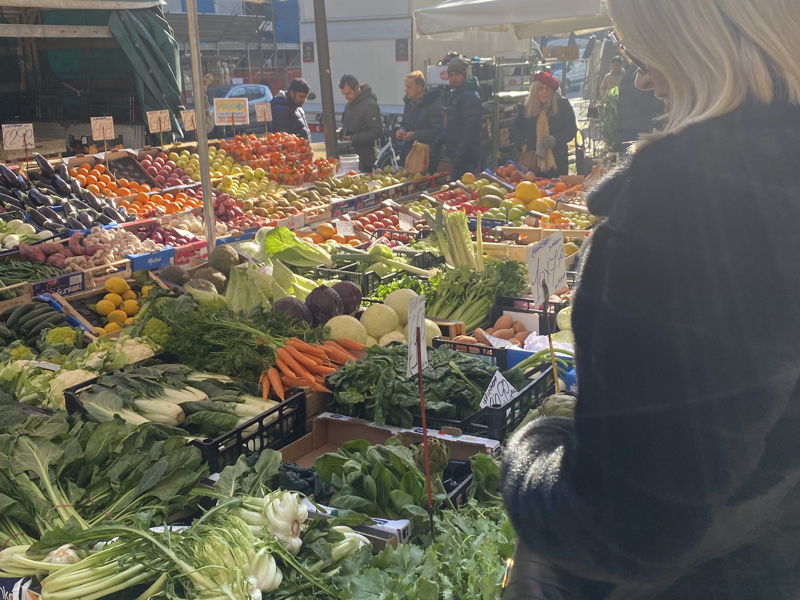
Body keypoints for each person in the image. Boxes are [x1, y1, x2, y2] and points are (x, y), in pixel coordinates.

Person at [502, 1, 800, 600]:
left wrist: (532, 451)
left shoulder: (687, 211)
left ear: (696, 45)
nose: (640, 77)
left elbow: (624, 529)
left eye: (642, 53)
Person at [514, 71, 577, 177]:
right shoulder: (526, 108)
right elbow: (516, 129)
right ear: (535, 91)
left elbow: (571, 130)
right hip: (532, 163)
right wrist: (522, 145)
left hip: (557, 162)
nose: (544, 92)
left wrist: (555, 139)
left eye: (547, 88)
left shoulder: (563, 105)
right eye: (540, 89)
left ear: (552, 90)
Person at [441, 57, 482, 180]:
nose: (453, 78)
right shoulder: (455, 95)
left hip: (467, 157)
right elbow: (452, 125)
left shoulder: (469, 97)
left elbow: (470, 130)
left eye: (457, 74)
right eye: (451, 75)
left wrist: (459, 155)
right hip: (458, 155)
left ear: (464, 75)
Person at [397, 70, 443, 173]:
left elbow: (437, 131)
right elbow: (405, 124)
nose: (406, 90)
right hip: (409, 153)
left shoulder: (433, 104)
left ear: (419, 87)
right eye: (406, 87)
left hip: (426, 157)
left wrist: (415, 134)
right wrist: (401, 130)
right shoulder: (409, 103)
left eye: (409, 87)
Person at [339, 74, 381, 172]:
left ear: (357, 88)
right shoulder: (350, 103)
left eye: (348, 93)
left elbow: (377, 131)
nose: (346, 97)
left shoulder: (370, 105)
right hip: (350, 158)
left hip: (365, 160)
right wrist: (342, 133)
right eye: (344, 94)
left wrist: (353, 138)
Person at [616, 65, 664, 150]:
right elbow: (645, 103)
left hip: (625, 125)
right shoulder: (639, 76)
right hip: (638, 125)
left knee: (628, 156)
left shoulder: (627, 76)